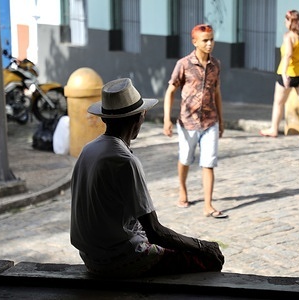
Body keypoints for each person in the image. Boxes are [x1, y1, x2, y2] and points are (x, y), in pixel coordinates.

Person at [70, 78, 224, 278]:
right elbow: (156, 232)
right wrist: (202, 245)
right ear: (138, 119)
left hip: (91, 257)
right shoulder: (124, 160)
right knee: (208, 260)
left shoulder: (89, 149)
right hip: (116, 260)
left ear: (104, 119)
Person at [163, 24, 228, 218]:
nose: (209, 44)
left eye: (211, 40)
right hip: (187, 122)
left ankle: (208, 205)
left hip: (210, 121)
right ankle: (183, 190)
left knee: (208, 163)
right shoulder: (183, 64)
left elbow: (217, 92)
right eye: (205, 40)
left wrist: (222, 121)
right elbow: (170, 92)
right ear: (195, 42)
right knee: (185, 159)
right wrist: (167, 119)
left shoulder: (216, 65)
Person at [259, 10, 299, 140]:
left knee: (279, 102)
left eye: (286, 20)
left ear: (291, 22)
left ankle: (273, 129)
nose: (284, 22)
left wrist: (285, 74)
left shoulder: (289, 36)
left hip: (288, 73)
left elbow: (287, 55)